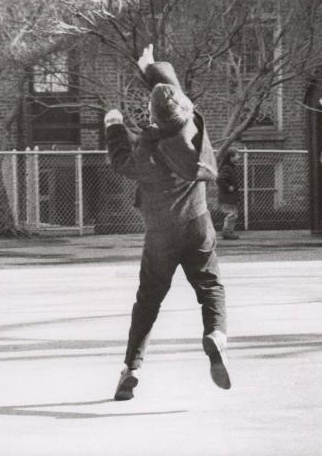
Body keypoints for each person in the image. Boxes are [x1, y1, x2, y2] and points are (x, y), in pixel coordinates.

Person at [104, 44, 231, 401]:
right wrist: (151, 69)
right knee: (211, 286)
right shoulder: (192, 129)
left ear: (152, 115)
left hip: (161, 233)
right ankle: (216, 335)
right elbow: (170, 93)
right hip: (197, 225)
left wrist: (113, 125)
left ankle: (131, 368)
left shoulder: (145, 150)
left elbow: (119, 161)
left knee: (148, 302)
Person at [216, 147, 241, 240]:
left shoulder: (230, 167)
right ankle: (226, 232)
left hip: (229, 197)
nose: (239, 157)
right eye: (237, 155)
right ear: (231, 157)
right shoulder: (227, 168)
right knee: (232, 214)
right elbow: (219, 179)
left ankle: (229, 231)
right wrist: (228, 187)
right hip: (227, 197)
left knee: (234, 214)